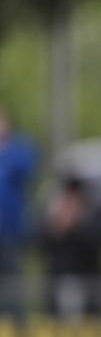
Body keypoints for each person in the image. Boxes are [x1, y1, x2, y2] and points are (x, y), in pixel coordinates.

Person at [39, 176, 101, 319]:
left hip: (89, 283)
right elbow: (39, 243)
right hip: (58, 282)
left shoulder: (95, 214)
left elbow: (100, 240)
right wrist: (58, 227)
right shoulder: (53, 215)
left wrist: (77, 225)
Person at [0, 108, 37, 323]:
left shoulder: (18, 149)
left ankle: (16, 326)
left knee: (13, 283)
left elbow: (27, 165)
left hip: (11, 232)